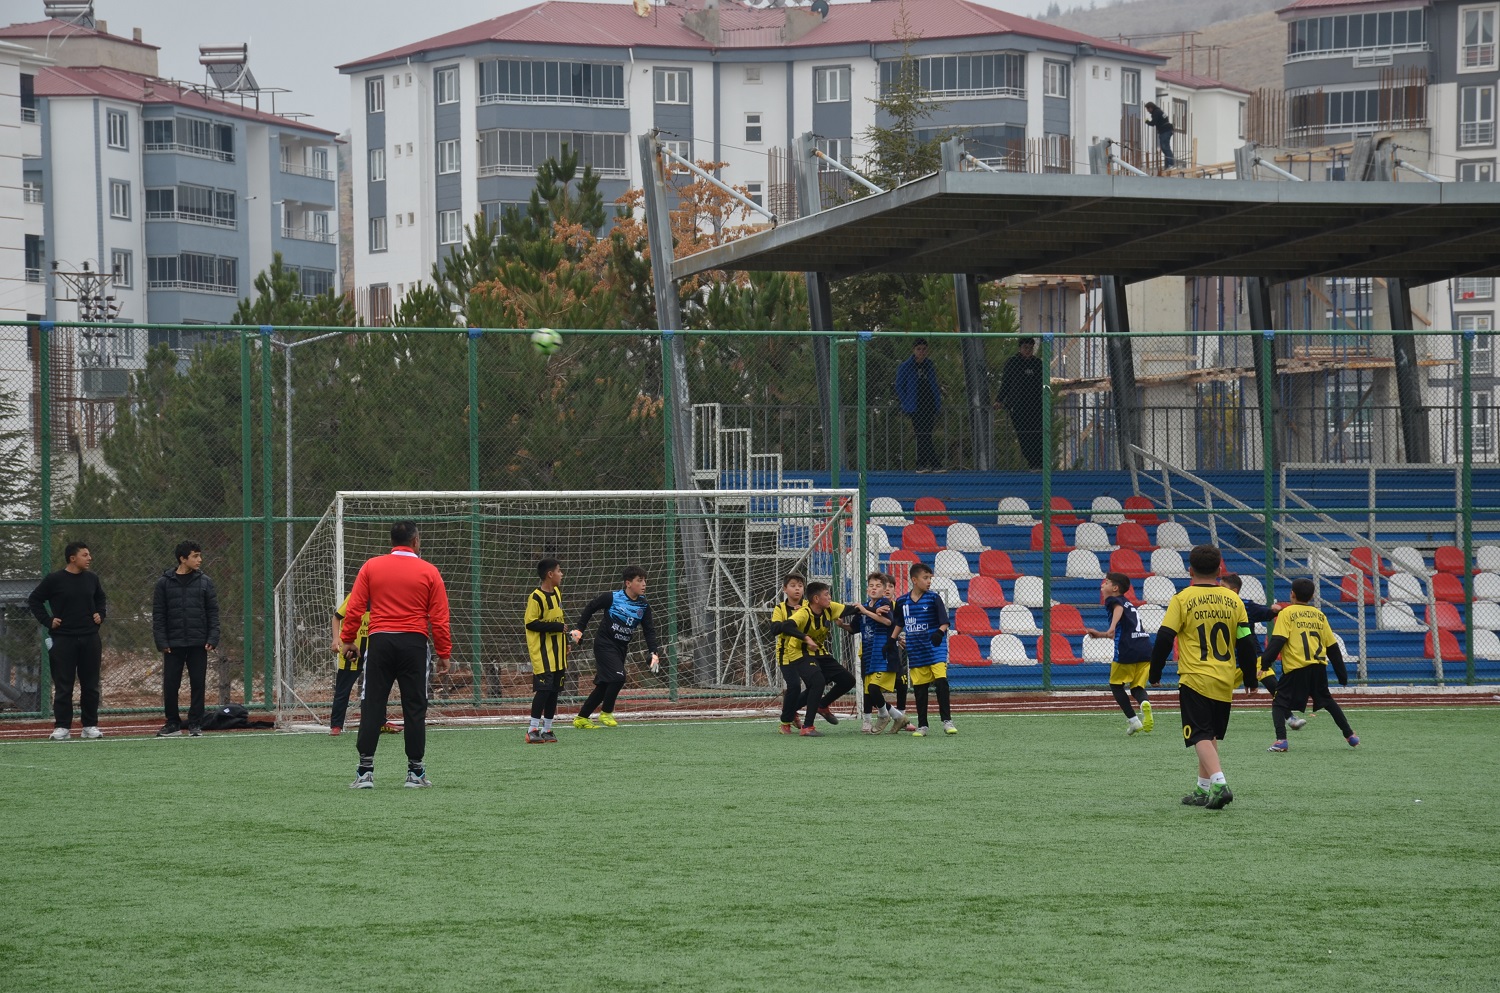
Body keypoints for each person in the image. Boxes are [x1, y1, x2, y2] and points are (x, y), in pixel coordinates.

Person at [341, 521, 451, 788]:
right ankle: (415, 773)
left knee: (372, 704)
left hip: (380, 642)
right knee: (415, 707)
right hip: (414, 644)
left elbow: (354, 607)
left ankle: (364, 772)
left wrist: (348, 640)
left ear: (392, 542)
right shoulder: (429, 571)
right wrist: (443, 652)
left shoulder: (371, 566)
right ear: (416, 541)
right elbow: (439, 617)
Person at [1149, 545, 1260, 810]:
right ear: (1220, 570)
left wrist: (1154, 671)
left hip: (1195, 677)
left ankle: (1220, 785)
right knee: (1208, 736)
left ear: (1190, 570)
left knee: (1198, 734)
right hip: (1225, 678)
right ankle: (1202, 789)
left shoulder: (1182, 598)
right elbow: (1246, 641)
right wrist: (1250, 676)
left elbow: (1165, 636)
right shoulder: (1234, 600)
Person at [1263, 578, 1359, 753]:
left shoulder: (1287, 613)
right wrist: (1342, 675)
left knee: (1279, 702)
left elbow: (1278, 640)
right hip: (1318, 667)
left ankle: (1281, 741)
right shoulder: (1319, 615)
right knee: (1328, 701)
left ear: (1292, 594)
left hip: (1297, 667)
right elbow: (1333, 647)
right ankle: (1350, 735)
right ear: (1312, 596)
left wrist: (1265, 662)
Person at [28, 541, 108, 741]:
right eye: (85, 555)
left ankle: (89, 726)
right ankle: (62, 727)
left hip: (90, 638)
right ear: (73, 558)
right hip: (63, 639)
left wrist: (101, 614)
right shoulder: (55, 579)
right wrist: (48, 620)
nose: (89, 558)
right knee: (64, 685)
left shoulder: (92, 578)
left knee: (90, 685)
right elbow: (35, 599)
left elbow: (101, 599)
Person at [570, 565, 662, 729]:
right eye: (639, 581)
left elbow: (649, 631)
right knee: (619, 677)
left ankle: (582, 718)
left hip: (621, 648)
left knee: (605, 684)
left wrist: (653, 652)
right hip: (604, 644)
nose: (644, 584)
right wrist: (579, 629)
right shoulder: (612, 597)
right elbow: (591, 607)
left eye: (645, 581)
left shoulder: (643, 606)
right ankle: (606, 712)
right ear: (628, 583)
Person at [151, 540, 220, 738]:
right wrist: (162, 641)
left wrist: (212, 637)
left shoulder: (205, 582)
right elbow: (159, 615)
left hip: (199, 643)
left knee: (198, 683)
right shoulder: (163, 583)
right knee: (171, 684)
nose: (200, 559)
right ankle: (172, 723)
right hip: (173, 645)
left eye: (200, 555)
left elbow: (213, 612)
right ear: (183, 559)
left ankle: (195, 724)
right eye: (195, 556)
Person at [776, 580, 858, 737]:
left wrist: (871, 609)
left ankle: (822, 705)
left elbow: (852, 609)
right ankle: (807, 727)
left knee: (848, 680)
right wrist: (806, 638)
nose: (830, 597)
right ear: (816, 599)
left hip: (818, 652)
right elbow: (785, 626)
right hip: (799, 652)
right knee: (816, 682)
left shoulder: (829, 608)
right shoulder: (803, 613)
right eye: (827, 595)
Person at [1219, 574, 1299, 721]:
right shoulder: (1215, 606)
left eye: (1223, 587)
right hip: (1228, 660)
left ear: (1235, 591)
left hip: (1252, 656)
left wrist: (1275, 610)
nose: (1219, 590)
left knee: (1270, 681)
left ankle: (1290, 717)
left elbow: (1267, 613)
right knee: (1216, 694)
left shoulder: (1246, 605)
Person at [1084, 572, 1153, 735]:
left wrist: (1112, 626)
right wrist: (1101, 634)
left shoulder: (1113, 601)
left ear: (1115, 588)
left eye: (1106, 582)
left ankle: (1134, 721)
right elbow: (1118, 631)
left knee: (1116, 685)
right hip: (1144, 648)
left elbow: (1117, 609)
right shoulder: (1129, 604)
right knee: (1137, 687)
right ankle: (1144, 703)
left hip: (1127, 650)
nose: (1103, 584)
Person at [891, 563, 956, 736]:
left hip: (935, 649)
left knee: (941, 682)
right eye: (925, 578)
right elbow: (899, 623)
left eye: (930, 578)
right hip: (916, 650)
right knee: (920, 689)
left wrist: (939, 633)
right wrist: (892, 640)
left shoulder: (934, 598)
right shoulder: (902, 601)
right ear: (914, 580)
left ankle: (947, 721)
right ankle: (922, 725)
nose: (928, 582)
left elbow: (944, 622)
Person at [846, 571, 908, 733]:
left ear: (884, 589)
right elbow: (854, 628)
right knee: (869, 691)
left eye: (878, 586)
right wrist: (840, 624)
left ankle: (884, 715)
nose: (874, 588)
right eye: (871, 586)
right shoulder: (866, 605)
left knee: (874, 689)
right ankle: (898, 718)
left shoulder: (884, 603)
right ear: (867, 589)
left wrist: (866, 611)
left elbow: (888, 622)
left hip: (883, 654)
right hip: (869, 654)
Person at [524, 558, 568, 744]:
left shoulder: (557, 592)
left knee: (554, 691)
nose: (561, 574)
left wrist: (566, 642)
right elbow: (531, 623)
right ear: (550, 574)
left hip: (557, 653)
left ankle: (547, 729)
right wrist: (558, 628)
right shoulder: (536, 597)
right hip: (542, 653)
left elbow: (559, 618)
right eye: (559, 570)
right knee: (543, 690)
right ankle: (532, 729)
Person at [895, 337, 942, 472]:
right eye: (919, 349)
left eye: (924, 349)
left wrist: (937, 401)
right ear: (914, 350)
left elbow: (934, 384)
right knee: (922, 433)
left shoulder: (929, 365)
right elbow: (899, 385)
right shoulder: (906, 366)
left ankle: (922, 464)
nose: (921, 352)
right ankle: (933, 464)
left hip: (929, 404)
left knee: (926, 433)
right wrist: (905, 401)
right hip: (915, 405)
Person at [998, 337, 1045, 471]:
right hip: (1018, 406)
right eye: (1025, 348)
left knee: (1037, 435)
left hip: (1035, 406)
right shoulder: (1013, 362)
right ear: (1020, 348)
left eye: (1030, 348)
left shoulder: (1037, 364)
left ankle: (1040, 463)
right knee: (1024, 436)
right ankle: (1033, 463)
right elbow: (1005, 383)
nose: (1028, 351)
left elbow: (1042, 383)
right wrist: (999, 400)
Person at [770, 572, 809, 735]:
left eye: (800, 586)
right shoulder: (780, 608)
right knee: (793, 686)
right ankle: (785, 722)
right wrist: (795, 618)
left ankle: (792, 710)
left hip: (806, 652)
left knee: (817, 684)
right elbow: (775, 629)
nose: (797, 589)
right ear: (785, 589)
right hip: (785, 654)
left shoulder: (808, 605)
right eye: (793, 586)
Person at [330, 592, 371, 736]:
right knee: (343, 690)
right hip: (351, 651)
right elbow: (336, 618)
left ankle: (380, 721)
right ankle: (336, 725)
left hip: (374, 651)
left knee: (377, 689)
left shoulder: (383, 597)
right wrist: (336, 639)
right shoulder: (355, 596)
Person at [1144, 101, 1175, 168]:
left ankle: (1171, 164)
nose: (1148, 111)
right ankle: (1168, 165)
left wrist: (1147, 121)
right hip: (1167, 130)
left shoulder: (1156, 112)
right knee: (1164, 148)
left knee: (1165, 148)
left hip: (1165, 131)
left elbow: (1153, 123)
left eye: (1148, 109)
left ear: (1151, 108)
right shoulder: (1159, 111)